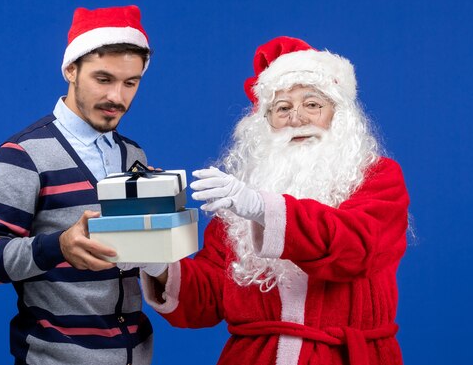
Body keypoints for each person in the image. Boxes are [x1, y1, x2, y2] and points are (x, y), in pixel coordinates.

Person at [137, 36, 410, 365]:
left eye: (312, 104)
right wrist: (158, 265)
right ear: (264, 124)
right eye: (282, 108)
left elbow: (357, 246)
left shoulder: (377, 177)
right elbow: (209, 298)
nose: (297, 118)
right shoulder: (243, 194)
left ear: (339, 115)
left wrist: (263, 209)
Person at [0, 5, 159, 365]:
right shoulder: (23, 154)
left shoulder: (135, 155)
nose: (118, 97)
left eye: (130, 82)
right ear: (71, 70)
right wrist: (57, 247)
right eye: (103, 79)